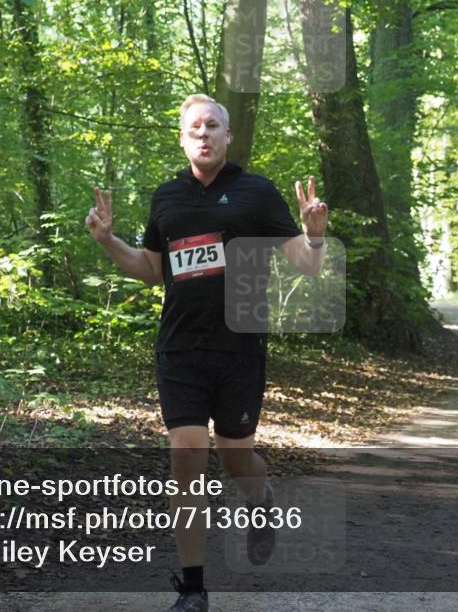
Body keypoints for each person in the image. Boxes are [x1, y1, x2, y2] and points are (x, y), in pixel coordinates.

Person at [86, 94, 328, 612]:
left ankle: (260, 499)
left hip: (240, 346)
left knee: (235, 457)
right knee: (187, 456)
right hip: (181, 348)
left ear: (227, 136)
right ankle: (193, 589)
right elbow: (153, 270)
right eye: (195, 127)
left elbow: (305, 266)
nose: (204, 134)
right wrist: (108, 241)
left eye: (213, 126)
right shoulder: (167, 197)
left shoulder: (257, 193)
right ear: (183, 139)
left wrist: (314, 236)